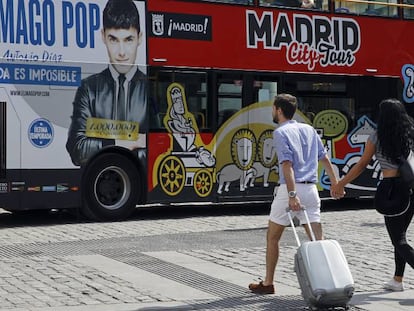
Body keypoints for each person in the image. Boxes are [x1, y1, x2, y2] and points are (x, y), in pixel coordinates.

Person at [249, 94, 339, 294]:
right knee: (318, 241)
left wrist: (291, 194)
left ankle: (269, 282)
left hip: (290, 190)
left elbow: (287, 165)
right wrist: (335, 183)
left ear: (279, 110)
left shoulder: (280, 132)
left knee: (273, 237)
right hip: (311, 189)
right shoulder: (309, 129)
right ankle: (327, 283)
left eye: (273, 108)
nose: (272, 111)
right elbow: (324, 158)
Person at [331, 98, 414, 292]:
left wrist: (340, 184)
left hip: (392, 189)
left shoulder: (378, 136)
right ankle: (397, 279)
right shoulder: (411, 133)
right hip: (410, 187)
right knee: (400, 236)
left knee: (398, 239)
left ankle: (398, 279)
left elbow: (361, 165)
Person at [66, 0, 147, 166]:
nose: (122, 52)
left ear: (139, 38)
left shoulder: (151, 88)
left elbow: (160, 148)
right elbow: (77, 148)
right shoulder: (89, 88)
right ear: (103, 36)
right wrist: (124, 144)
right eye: (114, 40)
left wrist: (102, 147)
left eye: (128, 39)